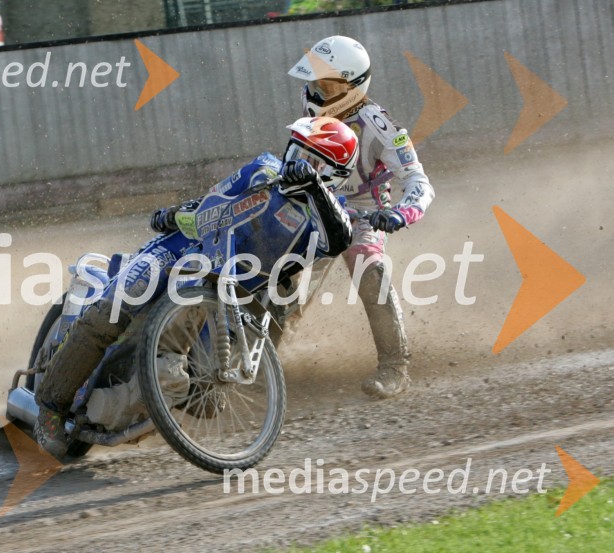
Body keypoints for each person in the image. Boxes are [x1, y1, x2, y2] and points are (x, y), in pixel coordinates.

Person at [34, 116, 358, 459]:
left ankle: (119, 405)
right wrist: (175, 214)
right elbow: (215, 199)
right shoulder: (264, 170)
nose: (297, 165)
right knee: (111, 310)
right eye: (297, 153)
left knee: (208, 398)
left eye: (311, 161)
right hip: (180, 251)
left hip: (229, 300)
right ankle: (51, 409)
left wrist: (313, 188)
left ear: (333, 174)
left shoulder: (329, 217)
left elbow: (339, 239)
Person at [287, 35, 435, 399]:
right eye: (314, 84)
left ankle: (395, 367)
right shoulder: (309, 120)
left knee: (371, 270)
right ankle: (261, 360)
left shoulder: (380, 126)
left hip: (364, 215)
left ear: (353, 86)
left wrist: (400, 214)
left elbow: (418, 180)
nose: (316, 93)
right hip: (315, 210)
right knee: (284, 279)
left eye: (327, 86)